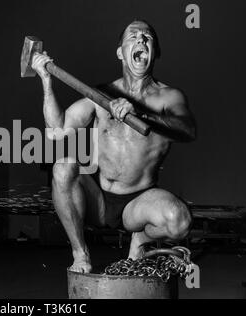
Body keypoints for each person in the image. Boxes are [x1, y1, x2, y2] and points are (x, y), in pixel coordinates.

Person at [31, 20, 196, 273]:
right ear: (120, 52)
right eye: (134, 36)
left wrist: (141, 114)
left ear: (156, 52)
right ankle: (80, 253)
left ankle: (139, 240)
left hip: (138, 202)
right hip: (97, 196)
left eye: (147, 37)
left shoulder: (170, 97)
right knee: (63, 167)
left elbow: (188, 131)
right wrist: (46, 81)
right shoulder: (102, 95)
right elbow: (56, 131)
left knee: (180, 221)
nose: (141, 39)